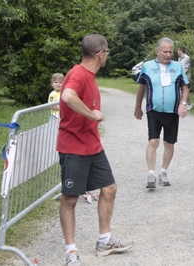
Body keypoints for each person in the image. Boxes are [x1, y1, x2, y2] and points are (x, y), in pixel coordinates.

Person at [57, 34, 133, 266]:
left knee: (109, 188)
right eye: (107, 52)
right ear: (100, 54)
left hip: (92, 144)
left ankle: (104, 240)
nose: (107, 56)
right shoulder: (78, 74)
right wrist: (92, 115)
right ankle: (71, 252)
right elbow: (68, 95)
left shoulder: (89, 75)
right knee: (70, 199)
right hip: (74, 146)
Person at [134, 37, 189, 189]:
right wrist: (138, 107)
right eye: (165, 51)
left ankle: (163, 171)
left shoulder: (177, 67)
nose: (168, 54)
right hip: (154, 110)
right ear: (158, 51)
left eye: (170, 52)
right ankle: (151, 173)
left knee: (169, 144)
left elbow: (185, 87)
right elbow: (141, 88)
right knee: (153, 141)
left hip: (172, 112)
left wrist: (183, 104)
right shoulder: (147, 66)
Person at [177, 46, 192, 110]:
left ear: (181, 50)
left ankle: (188, 104)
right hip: (180, 76)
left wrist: (182, 74)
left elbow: (187, 68)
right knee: (180, 89)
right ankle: (183, 103)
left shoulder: (187, 58)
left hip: (186, 76)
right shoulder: (179, 58)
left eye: (178, 50)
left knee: (185, 89)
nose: (177, 51)